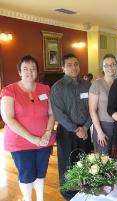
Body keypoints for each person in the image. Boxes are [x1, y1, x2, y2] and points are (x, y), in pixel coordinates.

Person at [0, 55, 55, 201]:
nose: (29, 72)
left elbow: (51, 113)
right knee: (26, 173)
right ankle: (27, 198)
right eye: (25, 69)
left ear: (37, 71)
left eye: (33, 69)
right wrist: (33, 139)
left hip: (44, 140)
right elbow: (8, 118)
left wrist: (47, 133)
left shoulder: (45, 89)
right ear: (19, 72)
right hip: (20, 142)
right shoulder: (9, 90)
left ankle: (41, 198)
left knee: (41, 171)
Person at [50, 53, 92, 201]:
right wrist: (76, 129)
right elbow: (58, 114)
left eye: (76, 64)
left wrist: (86, 127)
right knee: (68, 163)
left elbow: (93, 109)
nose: (73, 67)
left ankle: (85, 190)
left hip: (86, 130)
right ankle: (69, 195)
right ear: (63, 67)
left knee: (85, 161)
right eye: (69, 65)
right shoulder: (57, 88)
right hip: (67, 131)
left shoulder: (87, 85)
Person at [89, 54, 117, 154]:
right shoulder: (97, 84)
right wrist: (100, 132)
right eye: (107, 65)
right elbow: (92, 111)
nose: (110, 67)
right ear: (102, 67)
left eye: (113, 64)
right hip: (102, 126)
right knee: (103, 161)